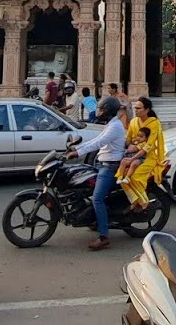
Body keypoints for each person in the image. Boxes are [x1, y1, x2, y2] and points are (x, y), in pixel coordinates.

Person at [66, 97, 127, 251]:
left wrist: (78, 151)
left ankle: (104, 236)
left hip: (110, 167)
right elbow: (97, 139)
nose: (98, 111)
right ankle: (95, 220)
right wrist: (76, 148)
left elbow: (98, 143)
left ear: (107, 110)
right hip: (101, 164)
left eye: (101, 109)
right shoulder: (111, 124)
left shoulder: (115, 127)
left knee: (98, 199)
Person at [120, 97, 165, 213]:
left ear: (147, 110)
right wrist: (129, 145)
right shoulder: (134, 122)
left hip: (148, 158)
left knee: (134, 177)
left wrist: (133, 158)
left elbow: (148, 146)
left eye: (139, 108)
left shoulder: (154, 123)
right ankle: (134, 199)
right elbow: (128, 139)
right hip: (133, 155)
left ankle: (144, 202)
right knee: (121, 176)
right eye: (135, 108)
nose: (136, 110)